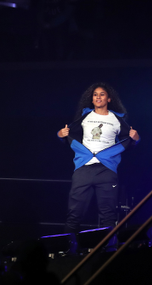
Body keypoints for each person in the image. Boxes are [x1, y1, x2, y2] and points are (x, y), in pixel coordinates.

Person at [57, 82, 140, 235]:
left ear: (109, 99)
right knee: (74, 214)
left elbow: (129, 142)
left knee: (108, 215)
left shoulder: (117, 120)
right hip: (84, 168)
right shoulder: (85, 117)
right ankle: (69, 251)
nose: (98, 97)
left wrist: (136, 139)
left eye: (102, 94)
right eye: (95, 94)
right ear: (92, 98)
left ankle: (109, 251)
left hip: (106, 170)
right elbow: (70, 135)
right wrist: (61, 135)